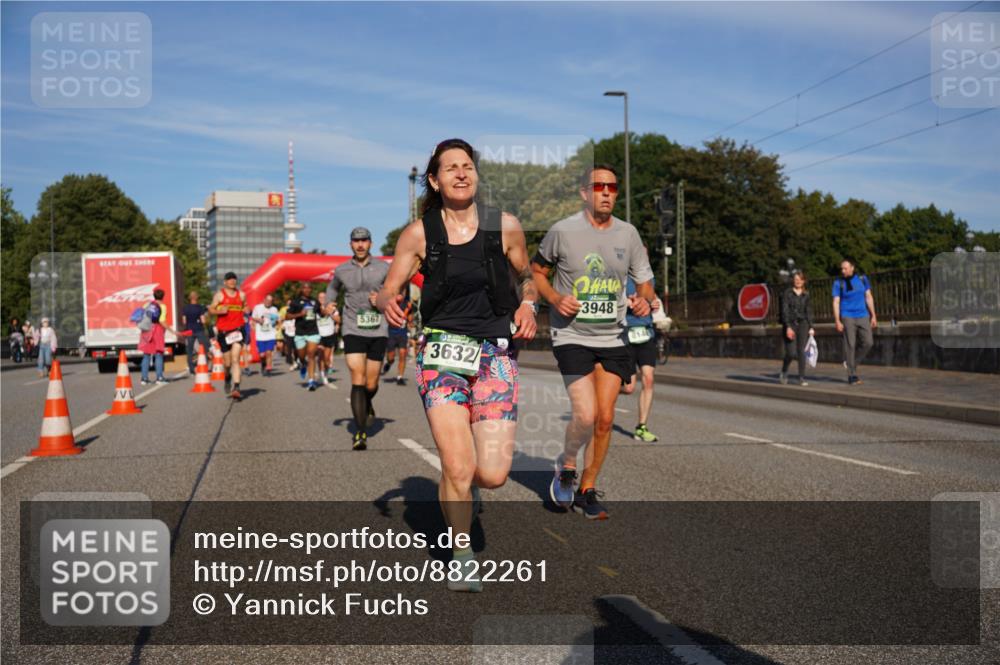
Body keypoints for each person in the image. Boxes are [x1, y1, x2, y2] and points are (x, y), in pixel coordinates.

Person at [377, 138, 537, 591]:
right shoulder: (419, 233)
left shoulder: (504, 226)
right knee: (460, 464)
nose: (461, 174)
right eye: (451, 168)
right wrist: (389, 301)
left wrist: (528, 306)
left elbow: (526, 277)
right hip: (442, 351)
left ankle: (459, 476)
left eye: (468, 166)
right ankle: (462, 553)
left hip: (495, 354)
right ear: (434, 179)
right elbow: (389, 287)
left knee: (493, 474)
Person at [532, 163, 654, 520]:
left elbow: (645, 281)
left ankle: (587, 488)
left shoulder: (628, 234)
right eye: (598, 186)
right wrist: (554, 299)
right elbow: (537, 272)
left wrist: (644, 298)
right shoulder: (562, 231)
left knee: (604, 419)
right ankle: (567, 465)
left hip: (613, 336)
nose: (605, 192)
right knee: (585, 414)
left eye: (612, 188)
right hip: (571, 333)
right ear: (584, 192)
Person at [327, 227, 391, 450]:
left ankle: (368, 402)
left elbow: (396, 290)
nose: (360, 244)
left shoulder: (384, 267)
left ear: (371, 243)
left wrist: (383, 297)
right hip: (352, 326)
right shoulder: (342, 269)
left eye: (364, 240)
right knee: (357, 375)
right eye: (356, 241)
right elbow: (332, 290)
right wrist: (329, 303)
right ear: (351, 244)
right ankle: (360, 433)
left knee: (371, 383)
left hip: (378, 327)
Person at [620, 276, 661, 442]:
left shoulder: (649, 278)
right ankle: (606, 388)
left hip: (646, 334)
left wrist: (656, 302)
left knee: (649, 379)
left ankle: (641, 427)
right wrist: (625, 302)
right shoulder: (619, 275)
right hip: (625, 335)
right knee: (629, 388)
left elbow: (654, 297)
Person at [832, 258, 876, 385]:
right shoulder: (838, 283)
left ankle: (853, 363)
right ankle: (852, 375)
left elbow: (868, 296)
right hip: (847, 316)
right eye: (842, 268)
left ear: (852, 268)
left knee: (868, 342)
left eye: (845, 268)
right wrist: (837, 320)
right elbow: (836, 301)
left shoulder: (862, 279)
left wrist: (873, 315)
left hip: (863, 315)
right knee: (850, 345)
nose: (843, 270)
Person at [209, 272, 250, 398]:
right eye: (230, 280)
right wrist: (220, 311)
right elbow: (211, 310)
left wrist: (247, 310)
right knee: (227, 363)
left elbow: (246, 306)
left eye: (234, 279)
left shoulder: (241, 295)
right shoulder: (219, 295)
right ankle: (227, 377)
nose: (232, 281)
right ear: (225, 282)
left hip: (238, 330)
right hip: (224, 332)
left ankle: (236, 387)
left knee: (235, 359)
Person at [780, 271, 815, 386]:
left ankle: (801, 377)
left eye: (800, 279)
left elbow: (809, 311)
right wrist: (788, 326)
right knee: (791, 353)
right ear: (793, 281)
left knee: (801, 352)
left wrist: (811, 326)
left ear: (804, 281)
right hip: (791, 324)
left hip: (803, 324)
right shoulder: (787, 293)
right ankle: (784, 370)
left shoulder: (806, 294)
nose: (798, 281)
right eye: (796, 279)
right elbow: (784, 311)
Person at [285, 282, 322, 390]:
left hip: (313, 332)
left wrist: (327, 311)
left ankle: (311, 381)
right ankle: (302, 364)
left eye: (309, 288)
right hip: (300, 333)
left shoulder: (315, 302)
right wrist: (300, 314)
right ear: (301, 289)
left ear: (311, 289)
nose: (307, 290)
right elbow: (287, 316)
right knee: (301, 356)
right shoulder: (295, 302)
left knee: (311, 355)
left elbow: (321, 313)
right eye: (305, 288)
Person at [138, 290, 176, 385]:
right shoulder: (163, 306)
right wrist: (172, 331)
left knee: (146, 355)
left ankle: (144, 378)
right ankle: (159, 377)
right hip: (157, 330)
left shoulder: (147, 304)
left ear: (154, 296)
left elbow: (142, 316)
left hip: (146, 330)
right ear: (163, 296)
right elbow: (162, 320)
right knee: (158, 354)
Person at [383, 295, 412, 385]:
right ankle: (389, 363)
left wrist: (409, 317)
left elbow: (410, 319)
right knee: (391, 357)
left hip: (402, 333)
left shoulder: (407, 304)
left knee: (403, 354)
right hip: (392, 333)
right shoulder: (392, 303)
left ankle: (400, 377)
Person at [181, 291, 209, 375]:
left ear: (190, 298)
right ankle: (204, 366)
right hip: (199, 330)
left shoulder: (185, 308)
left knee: (189, 350)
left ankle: (192, 369)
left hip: (189, 330)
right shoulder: (200, 308)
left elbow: (184, 321)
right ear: (197, 298)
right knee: (204, 348)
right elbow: (203, 320)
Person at [251, 293, 279, 376]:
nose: (268, 302)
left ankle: (268, 367)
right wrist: (258, 320)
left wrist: (276, 322)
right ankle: (263, 364)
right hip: (260, 335)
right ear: (264, 300)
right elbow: (253, 317)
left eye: (270, 301)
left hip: (271, 334)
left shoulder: (274, 309)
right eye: (267, 300)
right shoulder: (258, 307)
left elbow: (277, 319)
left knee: (269, 352)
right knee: (262, 355)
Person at [316, 291, 340, 384]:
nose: (322, 299)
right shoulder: (315, 309)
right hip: (319, 336)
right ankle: (322, 375)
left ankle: (325, 373)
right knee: (320, 356)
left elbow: (339, 320)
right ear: (318, 299)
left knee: (326, 358)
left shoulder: (332, 308)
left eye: (324, 297)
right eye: (320, 297)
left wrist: (330, 313)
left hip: (330, 335)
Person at [279, 299, 298, 370]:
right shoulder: (286, 319)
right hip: (288, 335)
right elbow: (282, 326)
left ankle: (297, 360)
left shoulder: (296, 318)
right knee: (289, 350)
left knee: (296, 350)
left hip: (295, 335)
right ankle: (292, 363)